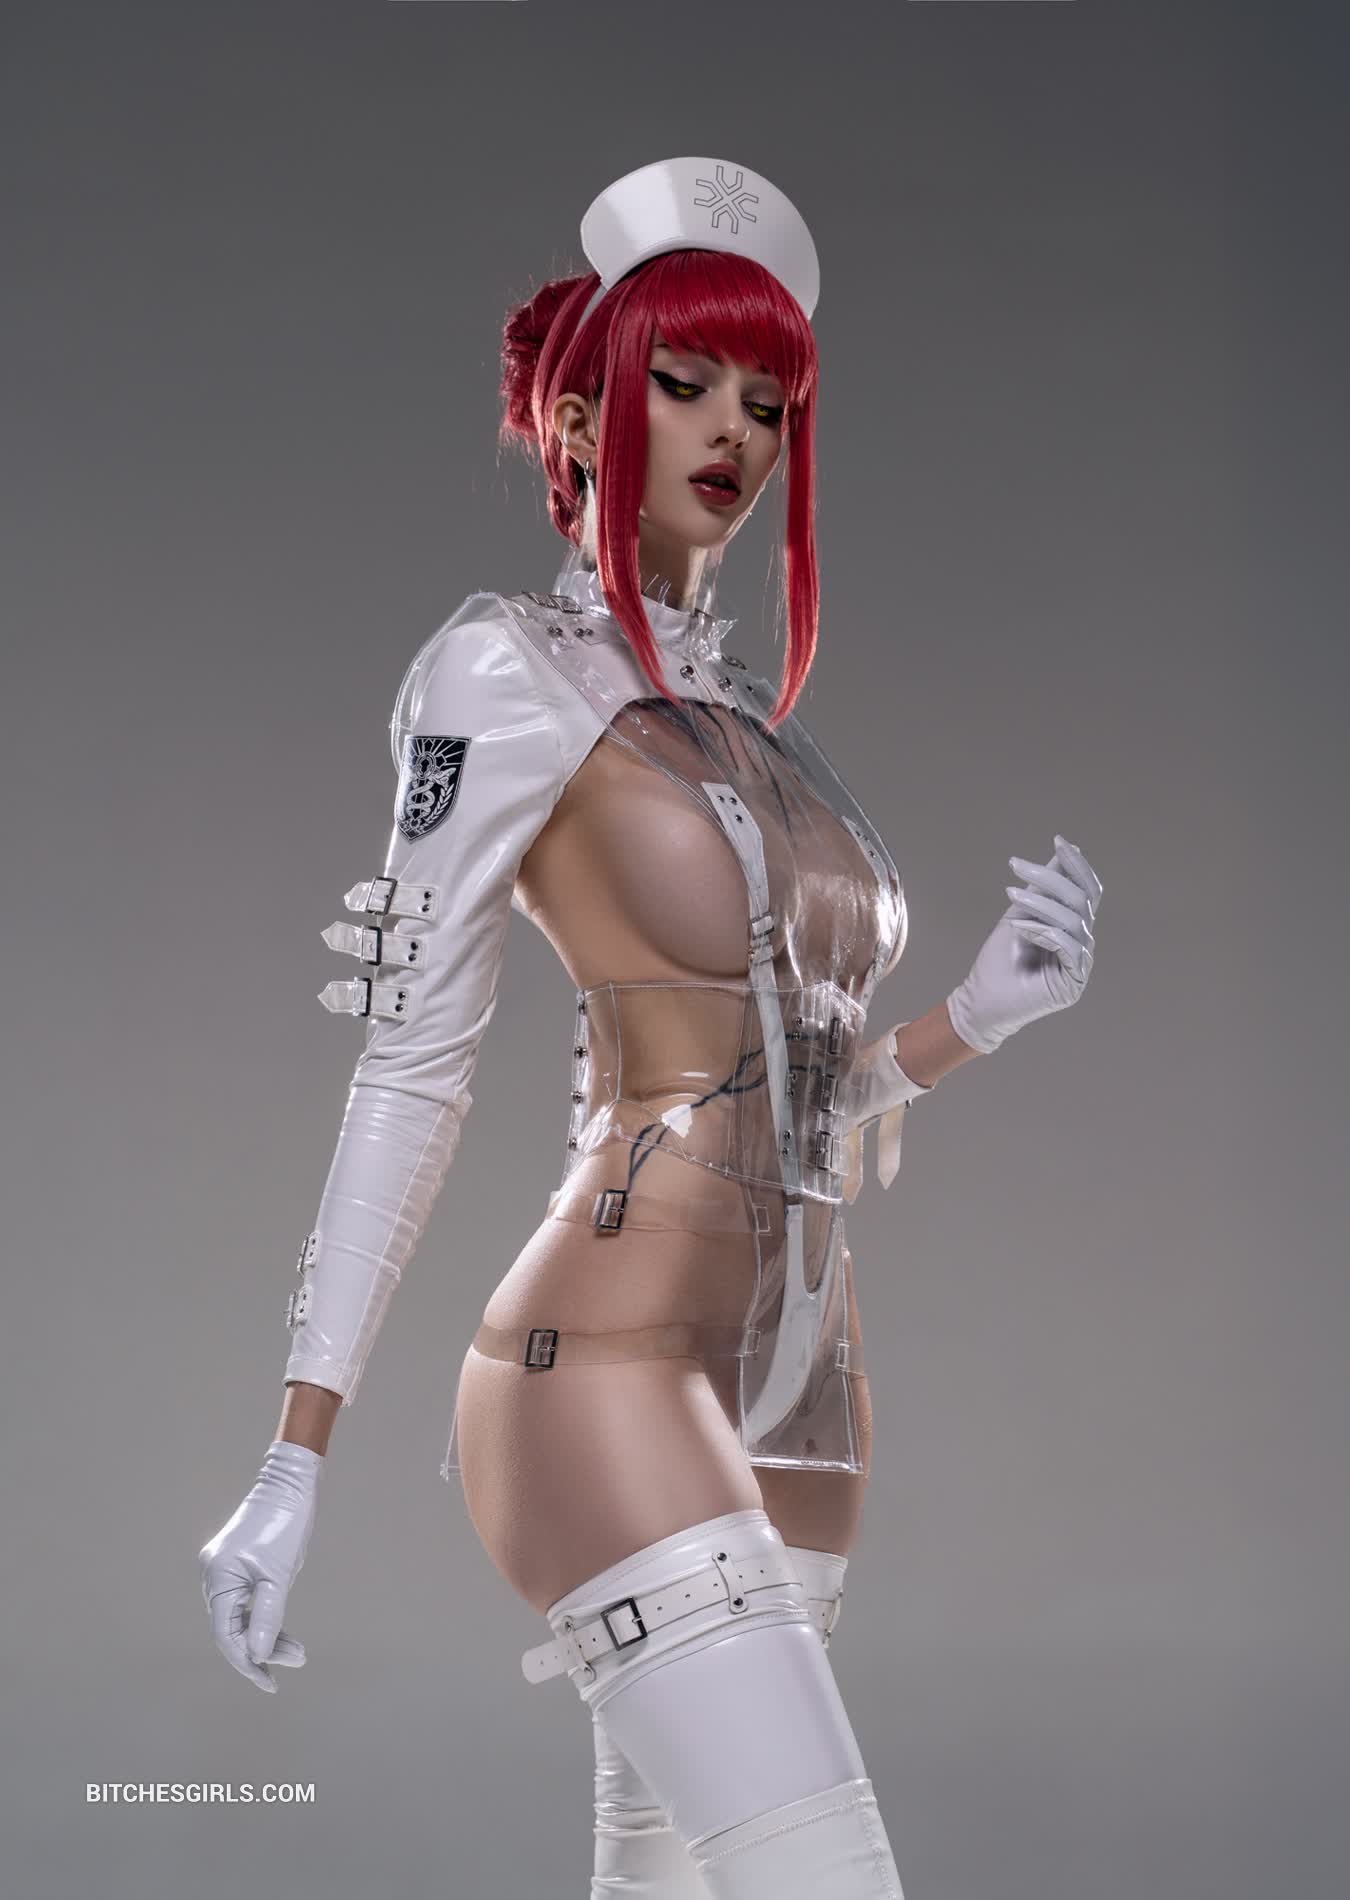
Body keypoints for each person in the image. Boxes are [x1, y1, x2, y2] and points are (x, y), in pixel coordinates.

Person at [199, 156, 1103, 1898]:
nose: (732, 433)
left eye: (767, 403)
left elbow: (793, 1091)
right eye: (684, 382)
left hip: (804, 1379)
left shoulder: (751, 724)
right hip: (602, 1358)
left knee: (672, 1884)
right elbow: (413, 1063)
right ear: (576, 412)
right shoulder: (502, 674)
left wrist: (974, 1021)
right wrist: (290, 1457)